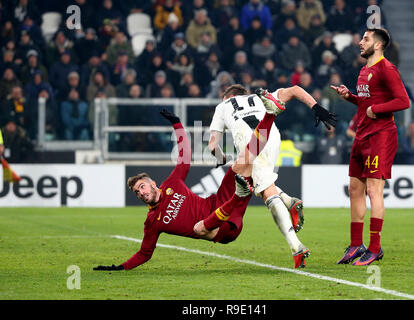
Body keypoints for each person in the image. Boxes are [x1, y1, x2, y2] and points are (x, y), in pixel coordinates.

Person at [93, 94, 306, 271]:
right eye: (137, 193)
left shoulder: (172, 184)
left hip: (219, 203)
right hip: (223, 230)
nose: (140, 193)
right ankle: (248, 196)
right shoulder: (152, 221)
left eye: (141, 187)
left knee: (246, 158)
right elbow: (145, 253)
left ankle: (270, 114)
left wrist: (177, 124)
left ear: (152, 183)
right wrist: (120, 267)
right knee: (198, 228)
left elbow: (184, 157)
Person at [208, 84, 337, 266]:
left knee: (265, 191)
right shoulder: (258, 97)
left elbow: (212, 146)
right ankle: (288, 201)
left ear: (226, 97)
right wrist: (316, 107)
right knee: (252, 180)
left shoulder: (222, 106)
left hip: (250, 141)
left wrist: (221, 158)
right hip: (272, 136)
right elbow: (294, 90)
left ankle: (296, 246)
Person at [330, 28, 410, 266]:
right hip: (362, 135)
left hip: (381, 136)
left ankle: (375, 248)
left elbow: (402, 101)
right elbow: (367, 102)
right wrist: (350, 97)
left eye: (365, 39)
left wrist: (377, 110)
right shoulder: (365, 70)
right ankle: (356, 245)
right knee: (355, 189)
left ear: (378, 45)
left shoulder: (387, 69)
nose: (360, 42)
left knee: (374, 190)